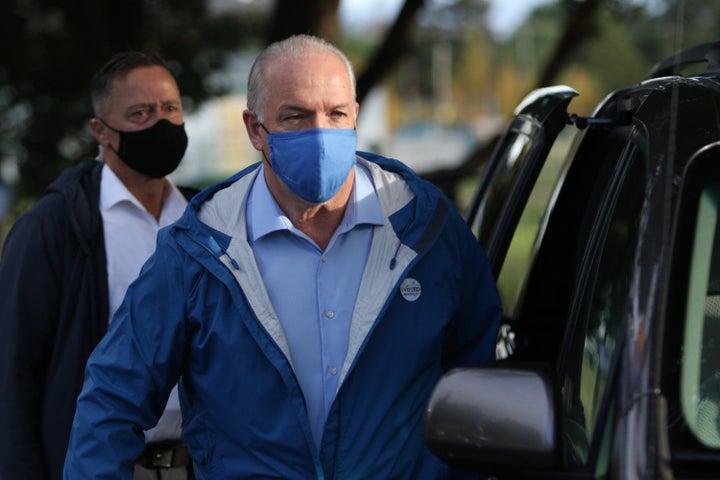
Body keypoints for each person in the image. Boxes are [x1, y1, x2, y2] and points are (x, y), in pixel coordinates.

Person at [63, 35, 502, 479]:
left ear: (355, 114)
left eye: (336, 114)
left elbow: (479, 376)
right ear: (255, 129)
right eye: (295, 116)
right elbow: (113, 398)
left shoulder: (425, 228)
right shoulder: (199, 249)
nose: (321, 133)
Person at [0, 51, 196, 480]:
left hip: (202, 466)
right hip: (103, 468)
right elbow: (14, 374)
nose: (160, 124)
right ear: (101, 131)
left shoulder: (205, 220)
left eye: (170, 109)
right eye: (140, 113)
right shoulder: (55, 229)